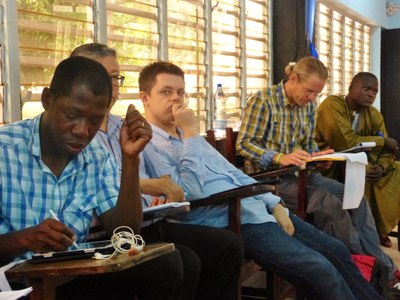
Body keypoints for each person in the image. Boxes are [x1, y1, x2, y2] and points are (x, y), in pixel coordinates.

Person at [137, 60, 384, 299]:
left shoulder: (191, 137)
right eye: (166, 92)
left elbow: (234, 172)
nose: (176, 99)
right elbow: (189, 191)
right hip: (231, 219)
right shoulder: (149, 145)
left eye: (181, 92)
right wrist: (191, 132)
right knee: (320, 269)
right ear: (145, 98)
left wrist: (273, 203)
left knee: (337, 251)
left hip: (257, 206)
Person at [70, 43, 243, 300]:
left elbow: (166, 180)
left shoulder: (126, 125)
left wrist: (167, 187)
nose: (110, 86)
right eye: (101, 77)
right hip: (107, 232)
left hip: (153, 220)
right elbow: (88, 183)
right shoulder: (74, 130)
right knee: (182, 260)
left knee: (226, 245)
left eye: (115, 78)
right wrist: (146, 184)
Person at [0, 56, 183, 300]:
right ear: (47, 100)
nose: (82, 130)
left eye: (95, 120)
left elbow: (124, 231)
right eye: (72, 115)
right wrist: (24, 239)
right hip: (15, 285)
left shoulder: (96, 156)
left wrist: (131, 160)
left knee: (167, 264)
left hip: (73, 277)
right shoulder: (5, 150)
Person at [235, 56, 400, 288]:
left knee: (354, 197)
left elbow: (308, 144)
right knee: (329, 203)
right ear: (293, 78)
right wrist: (280, 157)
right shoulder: (263, 101)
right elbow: (244, 145)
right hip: (270, 180)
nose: (312, 98)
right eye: (309, 91)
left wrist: (319, 157)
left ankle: (380, 267)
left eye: (317, 94)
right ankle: (364, 271)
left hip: (301, 173)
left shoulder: (308, 106)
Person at [315, 72, 400, 249]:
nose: (371, 94)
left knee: (394, 170)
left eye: (375, 92)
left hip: (363, 164)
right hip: (331, 167)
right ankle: (369, 232)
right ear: (351, 88)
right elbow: (344, 143)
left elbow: (388, 151)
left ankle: (379, 228)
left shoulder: (373, 114)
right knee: (362, 171)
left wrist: (383, 167)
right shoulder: (332, 105)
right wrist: (382, 141)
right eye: (366, 88)